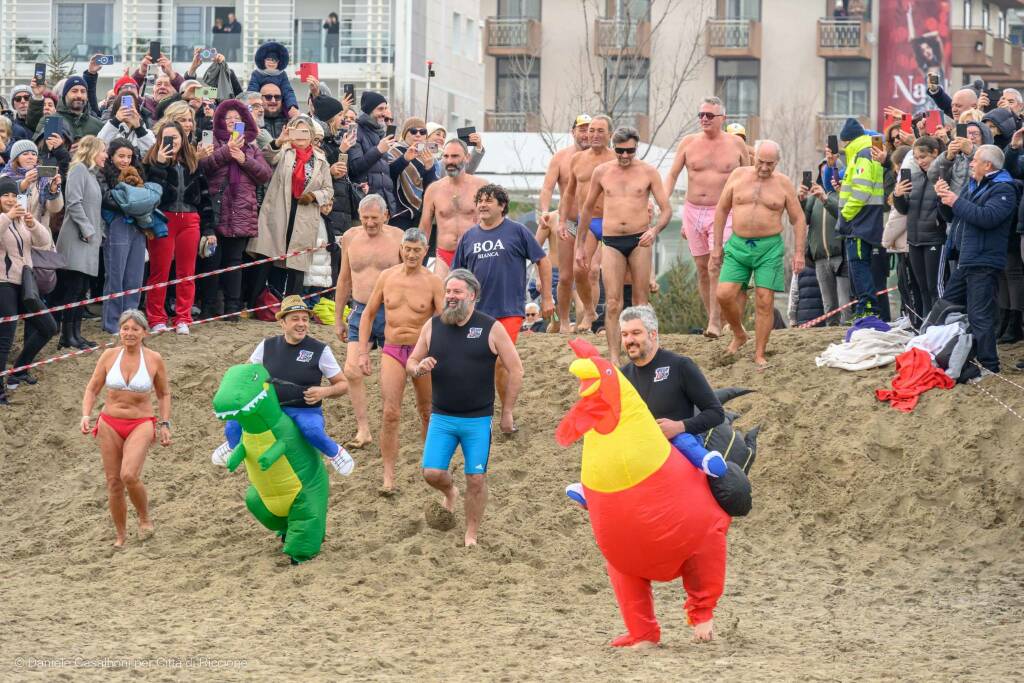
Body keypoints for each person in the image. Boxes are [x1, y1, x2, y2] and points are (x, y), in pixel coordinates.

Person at [406, 269, 523, 546]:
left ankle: (471, 533)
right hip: (443, 416)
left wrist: (507, 412)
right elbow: (411, 363)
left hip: (477, 419)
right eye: (448, 292)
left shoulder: (490, 327)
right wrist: (418, 368)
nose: (451, 297)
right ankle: (450, 493)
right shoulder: (433, 326)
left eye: (457, 292)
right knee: (431, 473)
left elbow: (516, 369)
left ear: (472, 295)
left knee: (476, 478)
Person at [452, 184, 551, 426]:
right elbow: (458, 275)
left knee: (500, 361)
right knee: (477, 364)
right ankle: (482, 409)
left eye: (488, 200)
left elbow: (542, 260)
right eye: (480, 201)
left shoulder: (517, 232)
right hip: (476, 312)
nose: (483, 205)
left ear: (502, 205)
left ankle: (507, 413)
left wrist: (547, 297)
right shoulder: (468, 237)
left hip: (509, 309)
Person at [220, 295, 354, 473]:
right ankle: (231, 447)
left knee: (311, 429)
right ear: (282, 323)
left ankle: (335, 452)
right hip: (271, 408)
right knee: (234, 421)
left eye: (305, 319)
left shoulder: (320, 349)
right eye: (295, 319)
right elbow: (246, 373)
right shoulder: (267, 345)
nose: (301, 324)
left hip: (304, 409)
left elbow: (343, 385)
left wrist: (325, 391)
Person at [357, 228, 443, 492]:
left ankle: (431, 467)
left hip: (422, 350)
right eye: (407, 248)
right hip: (392, 348)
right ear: (401, 249)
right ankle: (388, 477)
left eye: (417, 250)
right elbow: (367, 314)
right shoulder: (387, 277)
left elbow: (444, 323)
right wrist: (362, 351)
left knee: (427, 411)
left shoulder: (433, 282)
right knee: (390, 413)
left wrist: (441, 356)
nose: (411, 254)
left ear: (425, 251)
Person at [576, 126, 671, 364]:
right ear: (614, 148)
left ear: (636, 148)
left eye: (630, 151)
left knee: (641, 301)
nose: (625, 156)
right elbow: (587, 209)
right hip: (612, 241)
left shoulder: (648, 172)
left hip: (640, 238)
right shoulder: (602, 171)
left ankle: (648, 352)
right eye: (620, 151)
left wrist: (654, 230)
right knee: (613, 302)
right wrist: (579, 246)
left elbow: (666, 209)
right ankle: (615, 357)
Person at [711, 140, 807, 369]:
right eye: (761, 162)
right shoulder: (737, 176)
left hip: (769, 248)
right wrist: (716, 246)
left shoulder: (783, 184)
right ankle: (739, 333)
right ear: (754, 158)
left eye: (770, 164)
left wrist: (799, 253)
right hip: (738, 245)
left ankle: (760, 352)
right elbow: (722, 209)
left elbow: (798, 219)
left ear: (777, 162)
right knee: (724, 294)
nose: (764, 168)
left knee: (765, 300)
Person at [80, 310, 171, 547]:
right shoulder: (109, 355)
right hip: (109, 421)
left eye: (134, 329)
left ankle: (144, 518)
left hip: (141, 422)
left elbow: (163, 393)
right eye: (125, 328)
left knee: (129, 475)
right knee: (113, 482)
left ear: (144, 332)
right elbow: (92, 388)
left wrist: (165, 423)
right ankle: (120, 534)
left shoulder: (153, 358)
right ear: (119, 331)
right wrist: (86, 414)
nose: (129, 333)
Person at [663, 96, 750, 337]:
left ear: (722, 118)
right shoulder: (689, 143)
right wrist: (660, 201)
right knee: (702, 268)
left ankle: (715, 321)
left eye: (709, 115)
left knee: (715, 264)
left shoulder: (735, 144)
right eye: (701, 115)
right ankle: (714, 318)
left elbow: (749, 178)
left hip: (723, 211)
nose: (704, 119)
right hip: (692, 210)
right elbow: (671, 175)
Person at [935, 145, 1017, 374]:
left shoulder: (1005, 189)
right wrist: (943, 199)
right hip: (967, 258)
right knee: (947, 304)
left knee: (980, 315)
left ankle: (989, 366)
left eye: (975, 161)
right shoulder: (975, 185)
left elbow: (988, 218)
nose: (970, 164)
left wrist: (955, 201)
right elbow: (953, 215)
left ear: (987, 165)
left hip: (985, 261)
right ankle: (943, 350)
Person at [334, 194, 404, 448]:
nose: (369, 223)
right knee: (351, 371)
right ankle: (363, 429)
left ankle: (392, 421)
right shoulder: (351, 237)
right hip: (360, 309)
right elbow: (344, 278)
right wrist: (338, 317)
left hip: (392, 310)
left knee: (392, 374)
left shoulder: (398, 237)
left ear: (385, 216)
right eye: (365, 218)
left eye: (374, 218)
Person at [197, 99, 273, 317]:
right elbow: (203, 167)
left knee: (234, 261)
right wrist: (226, 152)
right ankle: (208, 307)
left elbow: (264, 174)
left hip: (242, 210)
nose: (232, 122)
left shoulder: (251, 147)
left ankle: (233, 307)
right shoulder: (210, 141)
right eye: (227, 118)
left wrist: (243, 159)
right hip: (215, 210)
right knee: (211, 260)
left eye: (236, 119)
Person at [143, 119, 215, 334]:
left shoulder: (193, 162)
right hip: (163, 218)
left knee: (187, 272)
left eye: (175, 137)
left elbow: (204, 197)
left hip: (190, 219)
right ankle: (156, 318)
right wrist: (161, 165)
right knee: (160, 270)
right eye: (167, 137)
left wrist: (210, 229)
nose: (172, 141)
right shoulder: (151, 162)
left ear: (182, 140)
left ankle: (183, 316)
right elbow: (152, 193)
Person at [249, 116, 333, 297]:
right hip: (279, 211)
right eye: (297, 130)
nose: (301, 136)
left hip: (304, 214)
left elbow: (328, 190)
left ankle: (292, 303)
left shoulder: (321, 159)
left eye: (305, 131)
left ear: (311, 135)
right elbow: (266, 157)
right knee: (269, 257)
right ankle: (255, 301)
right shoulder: (284, 151)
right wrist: (280, 140)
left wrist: (313, 196)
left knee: (297, 262)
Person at [619, 304, 724, 445]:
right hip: (639, 458)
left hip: (678, 454)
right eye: (624, 334)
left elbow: (716, 413)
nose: (629, 340)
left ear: (653, 334)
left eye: (636, 333)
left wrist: (680, 426)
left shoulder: (680, 365)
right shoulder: (621, 376)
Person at [0, 177, 59, 402]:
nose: (10, 199)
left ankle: (19, 370)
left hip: (25, 283)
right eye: (5, 195)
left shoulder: (20, 220)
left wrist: (32, 222)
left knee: (48, 327)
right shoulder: (5, 218)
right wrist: (7, 217)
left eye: (14, 195)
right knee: (5, 338)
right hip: (3, 283)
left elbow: (44, 241)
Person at [558, 115, 615, 331]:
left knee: (603, 272)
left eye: (600, 131)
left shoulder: (615, 159)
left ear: (610, 134)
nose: (594, 135)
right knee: (579, 270)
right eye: (591, 130)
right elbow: (569, 193)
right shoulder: (577, 159)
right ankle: (590, 311)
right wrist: (562, 221)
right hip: (587, 222)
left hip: (612, 222)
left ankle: (608, 318)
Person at [538, 114, 591, 332]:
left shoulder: (602, 157)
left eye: (590, 129)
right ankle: (563, 322)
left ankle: (590, 317)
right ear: (573, 132)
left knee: (591, 272)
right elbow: (548, 187)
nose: (586, 133)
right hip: (568, 221)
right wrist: (543, 210)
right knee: (567, 275)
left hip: (594, 224)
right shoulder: (560, 158)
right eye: (582, 129)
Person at [56, 136, 107, 349]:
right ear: (93, 151)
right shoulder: (78, 170)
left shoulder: (91, 174)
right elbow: (74, 203)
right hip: (77, 239)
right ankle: (67, 336)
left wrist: (98, 233)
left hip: (89, 240)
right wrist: (88, 230)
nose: (106, 155)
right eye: (103, 151)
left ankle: (75, 333)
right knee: (74, 289)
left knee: (81, 289)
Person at [97, 138, 151, 335]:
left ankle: (132, 319)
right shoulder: (103, 174)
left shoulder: (138, 173)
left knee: (134, 276)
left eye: (129, 156)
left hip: (137, 224)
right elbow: (107, 198)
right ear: (111, 156)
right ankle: (112, 322)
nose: (125, 160)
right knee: (116, 276)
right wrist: (131, 201)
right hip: (117, 224)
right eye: (121, 156)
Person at [835, 117, 886, 319]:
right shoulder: (863, 153)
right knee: (859, 264)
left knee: (858, 264)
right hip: (863, 219)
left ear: (846, 140)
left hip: (859, 220)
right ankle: (864, 307)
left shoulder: (862, 155)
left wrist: (846, 214)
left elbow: (861, 191)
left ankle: (867, 308)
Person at [893, 136, 945, 318]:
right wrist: (898, 195)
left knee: (935, 288)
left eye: (923, 157)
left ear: (935, 153)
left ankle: (940, 326)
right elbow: (904, 209)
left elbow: (947, 209)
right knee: (922, 288)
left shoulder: (942, 174)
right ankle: (926, 326)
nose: (919, 161)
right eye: (916, 157)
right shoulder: (914, 175)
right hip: (914, 239)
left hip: (934, 238)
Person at [419, 139, 488, 276]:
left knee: (476, 296)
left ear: (467, 157)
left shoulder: (481, 186)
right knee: (441, 295)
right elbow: (424, 227)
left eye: (455, 156)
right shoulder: (434, 189)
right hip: (444, 254)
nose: (450, 161)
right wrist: (418, 255)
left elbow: (495, 221)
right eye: (446, 156)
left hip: (476, 254)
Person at [801, 160, 851, 325]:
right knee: (828, 304)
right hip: (820, 257)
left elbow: (844, 216)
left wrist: (825, 199)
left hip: (840, 256)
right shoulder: (813, 199)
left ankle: (847, 333)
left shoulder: (843, 194)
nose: (826, 175)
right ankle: (831, 335)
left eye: (829, 171)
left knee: (845, 303)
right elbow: (802, 220)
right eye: (822, 172)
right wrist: (800, 200)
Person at [348, 90, 398, 213]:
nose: (384, 113)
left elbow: (383, 172)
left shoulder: (380, 133)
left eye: (385, 109)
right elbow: (354, 167)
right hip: (365, 203)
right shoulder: (354, 131)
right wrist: (378, 150)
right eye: (380, 109)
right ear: (369, 110)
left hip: (384, 204)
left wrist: (405, 159)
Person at [388, 116, 439, 229]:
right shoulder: (394, 150)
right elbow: (389, 175)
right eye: (413, 131)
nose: (418, 135)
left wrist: (429, 168)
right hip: (398, 213)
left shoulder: (430, 155)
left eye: (422, 132)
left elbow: (432, 188)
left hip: (420, 214)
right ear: (405, 133)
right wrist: (405, 159)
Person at [27, 75, 103, 141]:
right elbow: (41, 151)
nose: (79, 95)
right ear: (65, 95)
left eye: (83, 91)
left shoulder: (98, 125)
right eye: (74, 91)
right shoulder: (50, 121)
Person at [246, 42, 299, 119]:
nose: (271, 62)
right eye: (268, 59)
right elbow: (252, 91)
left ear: (279, 62)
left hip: (279, 110)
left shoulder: (282, 75)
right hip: (261, 109)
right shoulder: (257, 74)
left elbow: (288, 91)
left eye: (274, 60)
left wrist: (292, 106)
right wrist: (251, 108)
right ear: (263, 60)